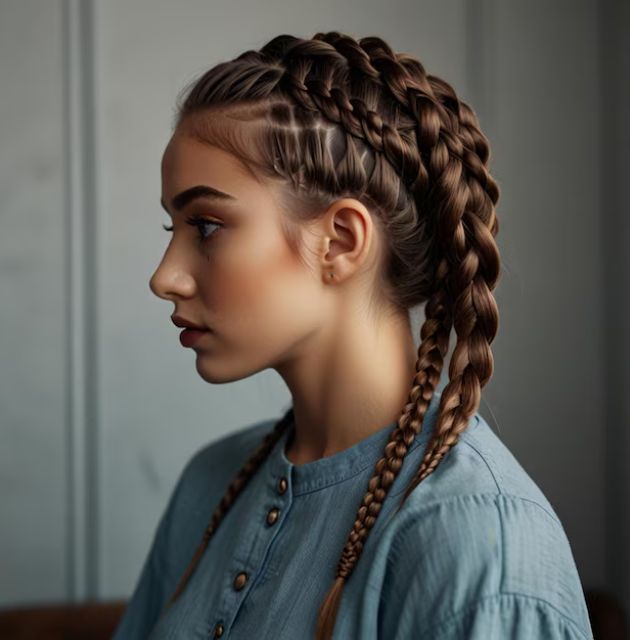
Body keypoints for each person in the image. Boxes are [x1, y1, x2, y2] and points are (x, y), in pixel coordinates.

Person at [111, 31, 594, 639]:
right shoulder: (209, 485)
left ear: (340, 240)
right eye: (171, 226)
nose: (165, 277)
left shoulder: (480, 541)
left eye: (206, 226)